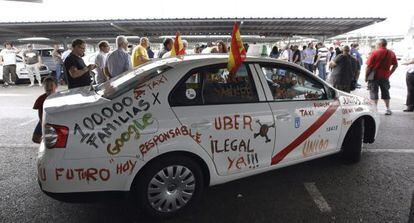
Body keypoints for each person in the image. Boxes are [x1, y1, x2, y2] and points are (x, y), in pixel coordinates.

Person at [365, 39, 398, 115]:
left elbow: (368, 67)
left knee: (373, 92)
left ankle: (375, 110)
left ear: (380, 44)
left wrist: (366, 77)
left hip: (374, 77)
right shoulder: (391, 53)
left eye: (376, 44)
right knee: (386, 92)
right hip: (385, 77)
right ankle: (388, 109)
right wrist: (389, 73)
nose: (376, 45)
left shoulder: (374, 52)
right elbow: (395, 65)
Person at [32, 76, 57, 143]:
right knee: (35, 138)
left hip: (56, 121)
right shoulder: (41, 99)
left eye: (51, 85)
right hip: (43, 120)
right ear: (44, 87)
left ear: (56, 86)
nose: (49, 88)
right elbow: (40, 113)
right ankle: (45, 144)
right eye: (46, 86)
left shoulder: (59, 98)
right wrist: (42, 123)